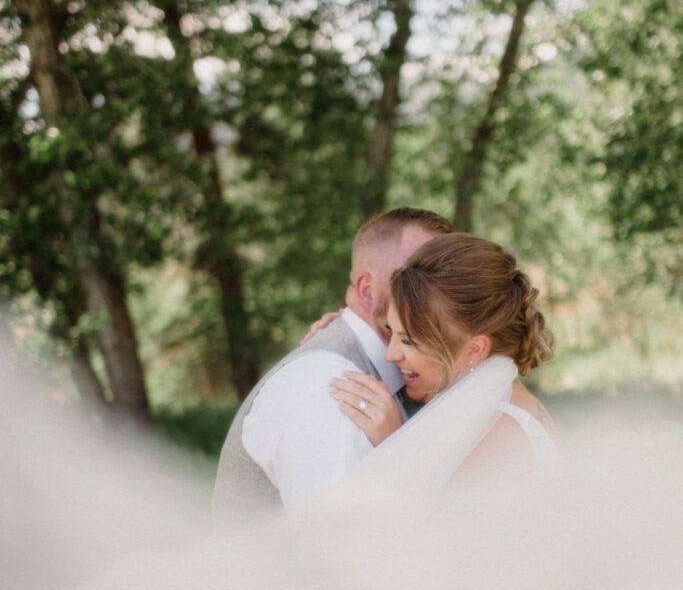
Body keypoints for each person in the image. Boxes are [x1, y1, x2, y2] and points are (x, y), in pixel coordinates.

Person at [212, 208, 454, 524]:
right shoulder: (331, 389)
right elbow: (341, 551)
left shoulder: (415, 376)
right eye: (417, 276)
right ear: (367, 291)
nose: (437, 294)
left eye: (444, 278)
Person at [328, 232, 557, 494]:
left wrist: (396, 444)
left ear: (475, 349)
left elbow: (439, 533)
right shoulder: (493, 408)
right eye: (392, 332)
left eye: (409, 341)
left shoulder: (500, 435)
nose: (391, 355)